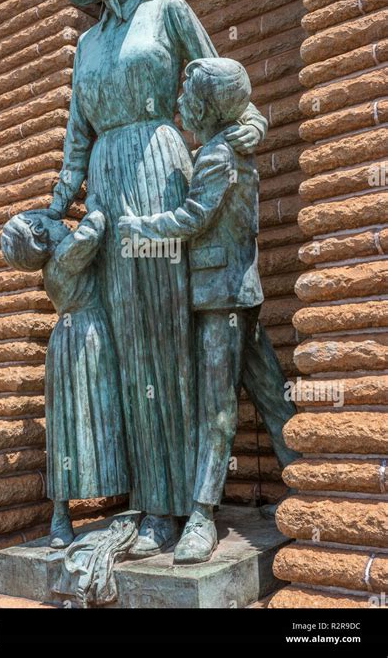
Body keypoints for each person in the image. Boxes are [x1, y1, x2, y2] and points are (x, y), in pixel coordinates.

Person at [43, 0, 268, 558]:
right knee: (127, 348)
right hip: (109, 201)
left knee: (170, 346)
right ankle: (149, 505)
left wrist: (240, 142)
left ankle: (183, 509)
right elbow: (76, 141)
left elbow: (228, 94)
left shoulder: (169, 14)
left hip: (163, 181)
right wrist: (56, 206)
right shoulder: (86, 44)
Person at [118, 58, 299, 564]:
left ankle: (201, 515)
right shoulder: (226, 144)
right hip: (238, 292)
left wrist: (140, 228)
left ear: (207, 105)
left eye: (187, 96)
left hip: (222, 296)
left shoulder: (217, 156)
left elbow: (193, 218)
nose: (179, 103)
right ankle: (303, 479)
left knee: (216, 408)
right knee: (269, 390)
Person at [1, 208, 128, 548]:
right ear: (41, 237)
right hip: (88, 337)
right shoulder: (67, 254)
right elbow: (96, 225)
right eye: (49, 223)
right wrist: (97, 195)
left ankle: (61, 518)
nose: (59, 222)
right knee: (100, 417)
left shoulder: (52, 264)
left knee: (66, 428)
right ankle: (131, 499)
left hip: (65, 341)